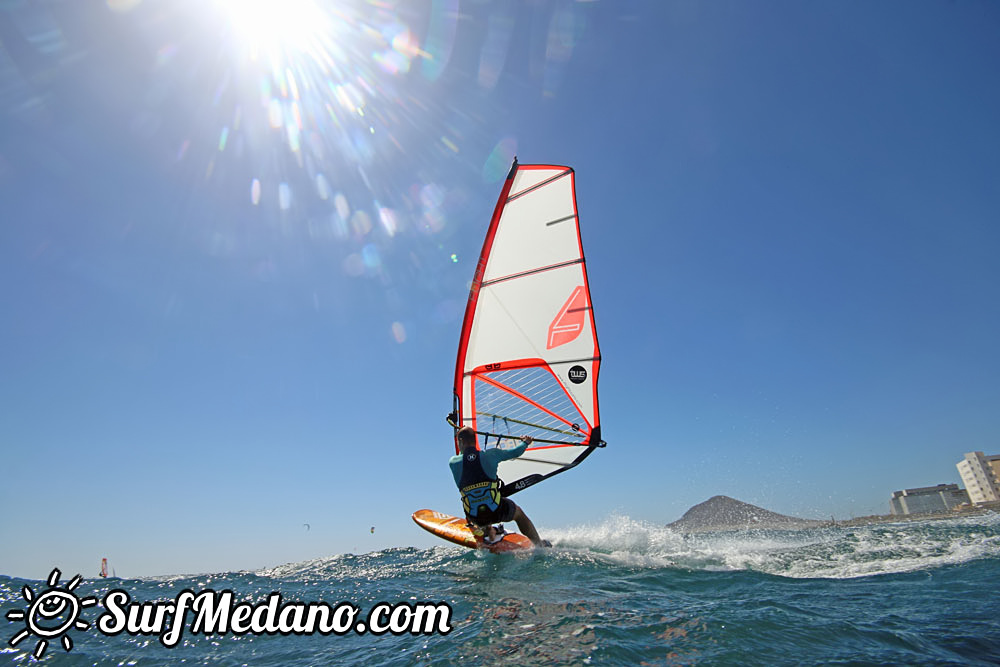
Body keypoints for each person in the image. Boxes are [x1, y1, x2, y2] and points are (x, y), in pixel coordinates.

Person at [449, 426, 549, 547]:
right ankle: (539, 545)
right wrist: (525, 442)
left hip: (474, 516)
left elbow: (465, 456)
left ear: (460, 441)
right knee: (518, 514)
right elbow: (514, 452)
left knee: (473, 500)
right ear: (475, 440)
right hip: (496, 511)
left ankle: (489, 532)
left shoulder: (453, 462)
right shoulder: (491, 455)